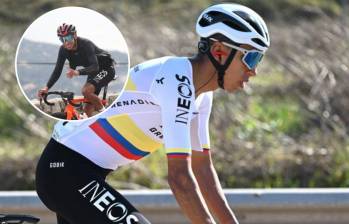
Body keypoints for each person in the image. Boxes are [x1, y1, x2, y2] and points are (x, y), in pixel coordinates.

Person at [35, 3, 270, 224]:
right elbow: (180, 179)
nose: (254, 71)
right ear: (219, 51)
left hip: (83, 173)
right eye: (251, 58)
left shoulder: (202, 96)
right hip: (66, 170)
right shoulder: (176, 81)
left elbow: (202, 170)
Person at [38, 23, 116, 117]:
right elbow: (57, 71)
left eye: (69, 38)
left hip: (106, 68)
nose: (66, 42)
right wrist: (47, 88)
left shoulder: (86, 44)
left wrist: (78, 72)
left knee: (86, 91)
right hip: (93, 72)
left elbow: (95, 66)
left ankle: (106, 115)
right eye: (62, 39)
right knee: (86, 110)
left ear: (74, 35)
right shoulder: (63, 50)